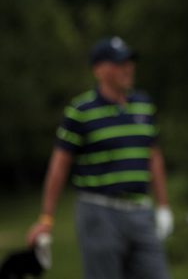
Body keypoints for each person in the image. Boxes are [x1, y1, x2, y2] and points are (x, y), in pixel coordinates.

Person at [27, 36, 173, 279]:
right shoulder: (80, 111)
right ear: (99, 70)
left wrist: (164, 206)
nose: (128, 68)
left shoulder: (143, 105)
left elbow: (154, 157)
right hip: (99, 213)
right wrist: (46, 218)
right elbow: (59, 165)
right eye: (119, 63)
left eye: (129, 62)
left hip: (140, 211)